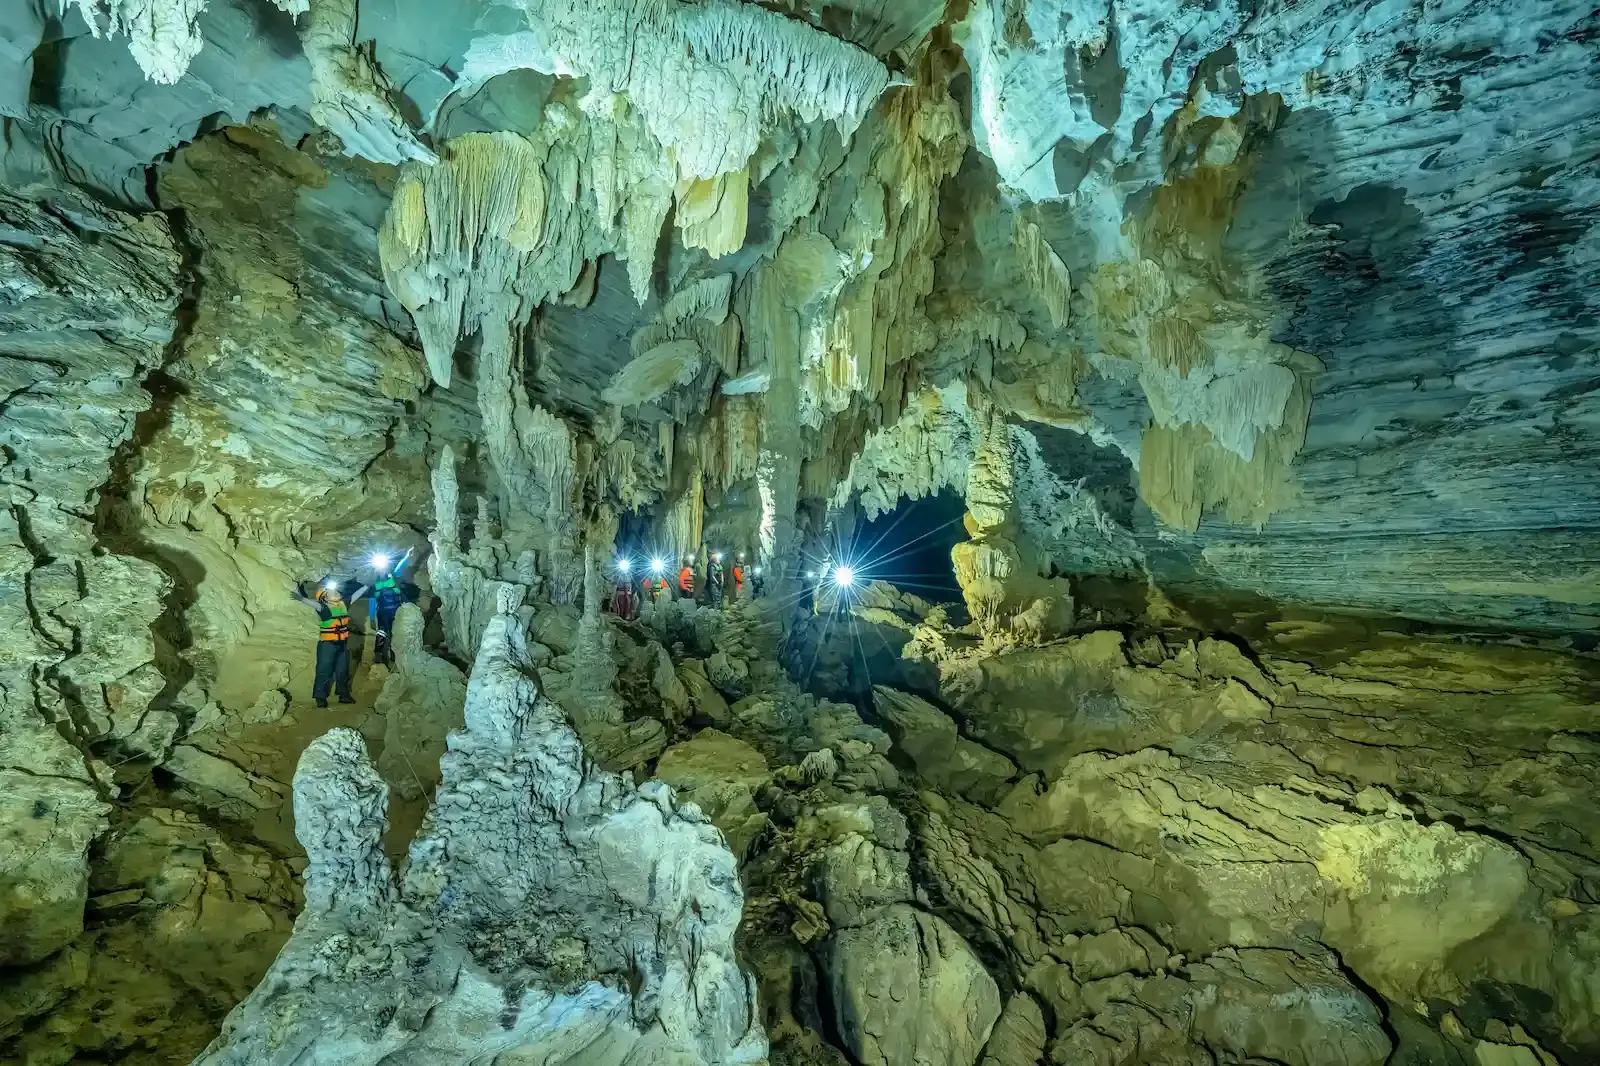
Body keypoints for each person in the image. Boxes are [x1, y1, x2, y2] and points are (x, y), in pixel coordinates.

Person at [293, 577, 369, 708]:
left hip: (342, 644)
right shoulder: (323, 608)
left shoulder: (343, 604)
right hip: (327, 645)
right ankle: (320, 697)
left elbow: (356, 595)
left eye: (336, 591)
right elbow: (309, 603)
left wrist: (367, 584)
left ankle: (343, 695)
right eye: (331, 591)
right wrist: (299, 596)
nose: (336, 592)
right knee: (324, 670)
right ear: (324, 597)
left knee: (343, 670)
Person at [369, 547, 413, 667]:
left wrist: (407, 556)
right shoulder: (375, 584)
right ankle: (378, 656)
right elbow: (372, 602)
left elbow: (400, 566)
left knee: (396, 633)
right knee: (382, 632)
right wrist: (372, 618)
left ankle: (395, 658)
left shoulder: (393, 577)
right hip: (383, 611)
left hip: (396, 610)